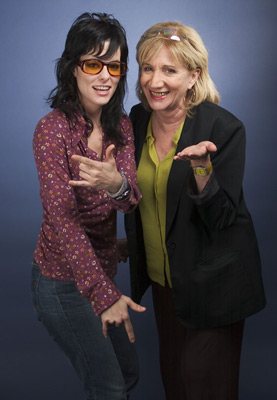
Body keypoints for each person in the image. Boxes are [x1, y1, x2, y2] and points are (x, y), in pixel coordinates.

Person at [74, 21, 266, 400]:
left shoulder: (225, 129)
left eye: (169, 70)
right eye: (147, 68)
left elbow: (222, 219)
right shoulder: (137, 119)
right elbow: (145, 196)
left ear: (194, 75)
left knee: (205, 389)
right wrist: (129, 242)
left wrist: (201, 170)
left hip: (214, 287)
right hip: (166, 286)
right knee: (175, 385)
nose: (154, 81)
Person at [31, 12, 145, 400]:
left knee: (128, 375)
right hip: (62, 283)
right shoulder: (53, 130)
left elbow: (130, 203)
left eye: (114, 66)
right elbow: (62, 220)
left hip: (100, 274)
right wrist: (103, 294)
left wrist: (116, 185)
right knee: (110, 388)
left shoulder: (123, 127)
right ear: (72, 68)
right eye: (93, 63)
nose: (105, 76)